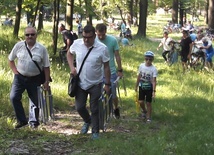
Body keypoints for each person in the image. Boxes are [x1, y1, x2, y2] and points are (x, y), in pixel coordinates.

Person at [67, 25, 111, 139]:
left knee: (95, 108)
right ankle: (87, 121)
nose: (86, 40)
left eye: (89, 37)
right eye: (84, 37)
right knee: (79, 107)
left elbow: (106, 67)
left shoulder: (102, 48)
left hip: (96, 83)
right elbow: (69, 53)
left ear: (94, 36)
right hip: (80, 82)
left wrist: (107, 83)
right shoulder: (77, 44)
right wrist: (72, 67)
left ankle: (95, 131)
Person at [8, 26, 51, 129]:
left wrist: (46, 81)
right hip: (20, 77)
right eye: (27, 35)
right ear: (24, 36)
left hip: (35, 78)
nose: (30, 36)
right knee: (14, 97)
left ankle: (33, 123)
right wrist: (15, 72)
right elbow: (10, 59)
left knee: (35, 102)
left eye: (32, 34)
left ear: (36, 36)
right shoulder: (19, 46)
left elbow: (46, 66)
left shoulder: (42, 49)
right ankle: (22, 121)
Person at [95, 23, 123, 119]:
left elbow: (117, 55)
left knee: (112, 93)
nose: (101, 36)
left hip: (111, 71)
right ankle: (102, 111)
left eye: (103, 34)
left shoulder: (112, 40)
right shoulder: (94, 41)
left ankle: (116, 108)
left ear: (105, 32)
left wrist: (120, 69)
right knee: (99, 93)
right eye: (99, 35)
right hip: (98, 71)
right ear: (96, 32)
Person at [135, 51, 157, 123]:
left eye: (150, 59)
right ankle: (144, 110)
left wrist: (154, 91)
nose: (148, 61)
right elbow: (139, 76)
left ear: (152, 60)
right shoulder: (141, 66)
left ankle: (148, 117)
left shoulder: (153, 69)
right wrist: (136, 86)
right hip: (142, 86)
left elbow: (154, 81)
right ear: (144, 59)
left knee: (148, 103)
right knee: (141, 101)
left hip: (149, 88)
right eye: (146, 59)